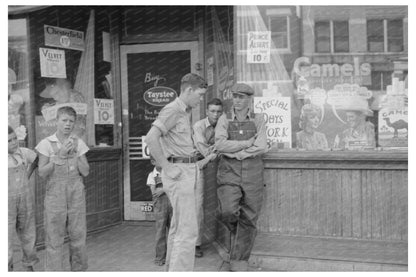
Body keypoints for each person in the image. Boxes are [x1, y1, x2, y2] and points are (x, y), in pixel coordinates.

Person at [145, 73, 215, 271]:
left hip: (187, 169)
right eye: (199, 95)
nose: (200, 99)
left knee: (178, 229)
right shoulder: (173, 110)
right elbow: (151, 138)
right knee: (188, 231)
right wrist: (167, 167)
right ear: (189, 90)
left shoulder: (184, 111)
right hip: (179, 171)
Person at [215, 83, 267, 271]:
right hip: (229, 171)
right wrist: (245, 144)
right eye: (235, 96)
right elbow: (220, 144)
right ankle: (239, 239)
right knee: (227, 211)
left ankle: (239, 260)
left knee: (250, 216)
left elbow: (261, 145)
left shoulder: (259, 119)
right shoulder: (224, 119)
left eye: (241, 97)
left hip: (253, 171)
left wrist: (240, 152)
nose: (237, 100)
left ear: (249, 100)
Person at [36, 106, 90, 271]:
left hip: (76, 192)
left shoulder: (78, 142)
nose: (68, 124)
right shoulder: (46, 144)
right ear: (56, 121)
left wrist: (76, 154)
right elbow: (42, 173)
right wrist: (59, 156)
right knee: (54, 237)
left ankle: (79, 270)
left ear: (74, 124)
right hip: (55, 194)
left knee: (78, 235)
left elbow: (86, 172)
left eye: (71, 121)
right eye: (64, 120)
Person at [192, 98, 224, 257]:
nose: (216, 114)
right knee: (197, 205)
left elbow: (228, 146)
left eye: (219, 111)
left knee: (220, 202)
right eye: (212, 111)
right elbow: (204, 150)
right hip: (198, 166)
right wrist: (219, 148)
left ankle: (221, 240)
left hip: (220, 166)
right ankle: (196, 243)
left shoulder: (224, 125)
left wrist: (219, 149)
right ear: (206, 111)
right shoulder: (198, 126)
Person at [8, 126, 39, 271]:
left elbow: (37, 159)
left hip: (25, 200)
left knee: (28, 232)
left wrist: (28, 172)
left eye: (14, 138)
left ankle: (29, 266)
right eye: (9, 141)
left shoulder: (24, 153)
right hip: (7, 203)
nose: (14, 142)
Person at [146, 155, 172, 266]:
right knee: (160, 231)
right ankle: (160, 257)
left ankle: (173, 256)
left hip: (171, 203)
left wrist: (163, 189)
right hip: (160, 205)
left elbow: (173, 186)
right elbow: (154, 192)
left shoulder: (169, 173)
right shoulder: (152, 175)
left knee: (173, 230)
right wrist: (163, 190)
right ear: (153, 162)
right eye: (159, 160)